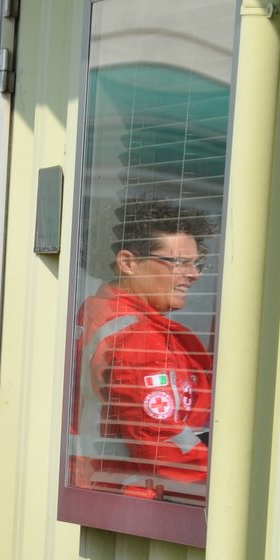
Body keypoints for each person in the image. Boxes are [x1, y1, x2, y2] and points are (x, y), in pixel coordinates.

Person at [68, 197, 214, 500]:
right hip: (131, 501)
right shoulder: (136, 338)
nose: (194, 275)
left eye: (196, 263)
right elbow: (159, 440)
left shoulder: (106, 316)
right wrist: (229, 479)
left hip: (110, 495)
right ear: (128, 263)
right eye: (180, 263)